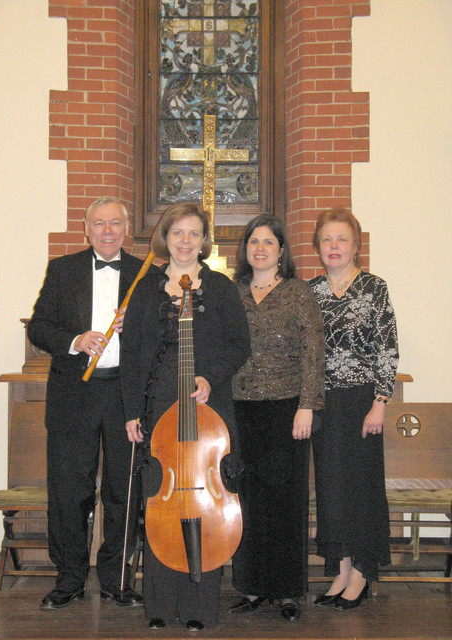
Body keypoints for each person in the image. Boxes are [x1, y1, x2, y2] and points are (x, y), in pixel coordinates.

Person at [120, 202, 251, 631]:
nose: (185, 241)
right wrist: (131, 412)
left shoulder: (222, 288)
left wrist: (210, 378)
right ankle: (159, 604)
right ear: (166, 236)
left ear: (204, 241)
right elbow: (133, 356)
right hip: (156, 405)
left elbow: (239, 346)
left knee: (203, 502)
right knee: (161, 500)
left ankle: (198, 607)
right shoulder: (145, 289)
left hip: (206, 406)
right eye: (178, 232)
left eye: (194, 233)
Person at [28, 196, 151, 610]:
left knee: (124, 492)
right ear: (87, 229)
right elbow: (40, 327)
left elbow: (156, 337)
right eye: (99, 224)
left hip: (124, 395)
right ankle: (69, 581)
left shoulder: (144, 273)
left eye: (115, 223)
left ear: (126, 228)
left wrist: (132, 329)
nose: (107, 231)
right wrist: (75, 341)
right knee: (69, 492)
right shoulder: (63, 270)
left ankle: (118, 581)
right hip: (74, 394)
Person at [228, 214, 325, 622]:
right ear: (245, 250)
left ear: (281, 251)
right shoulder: (231, 293)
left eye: (269, 242)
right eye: (254, 242)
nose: (261, 248)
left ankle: (286, 590)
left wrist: (308, 405)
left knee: (285, 502)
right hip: (239, 409)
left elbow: (313, 352)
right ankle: (251, 587)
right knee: (246, 500)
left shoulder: (299, 293)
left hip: (288, 409)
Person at [310, 207, 399, 611]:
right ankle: (342, 570)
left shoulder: (373, 288)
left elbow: (388, 349)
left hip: (363, 402)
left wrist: (380, 402)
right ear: (318, 246)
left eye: (341, 239)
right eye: (327, 239)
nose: (334, 246)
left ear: (356, 245)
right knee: (331, 489)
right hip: (324, 404)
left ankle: (362, 573)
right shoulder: (310, 292)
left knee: (361, 489)